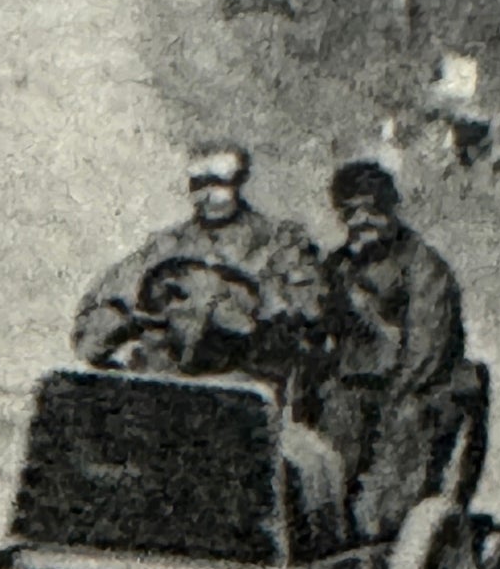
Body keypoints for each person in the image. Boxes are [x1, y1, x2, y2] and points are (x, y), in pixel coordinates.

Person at [72, 141, 327, 403]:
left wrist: (236, 310)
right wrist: (133, 321)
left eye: (217, 183)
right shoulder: (166, 246)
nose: (206, 194)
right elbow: (100, 315)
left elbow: (307, 313)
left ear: (238, 182)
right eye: (198, 184)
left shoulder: (278, 242)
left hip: (244, 388)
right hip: (169, 386)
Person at [316, 159, 478, 543]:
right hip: (359, 384)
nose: (362, 220)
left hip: (423, 388)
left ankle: (379, 530)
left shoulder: (424, 267)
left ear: (391, 209)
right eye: (350, 212)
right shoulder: (336, 266)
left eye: (372, 209)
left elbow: (428, 349)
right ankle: (328, 526)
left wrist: (393, 395)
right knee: (330, 415)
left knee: (404, 423)